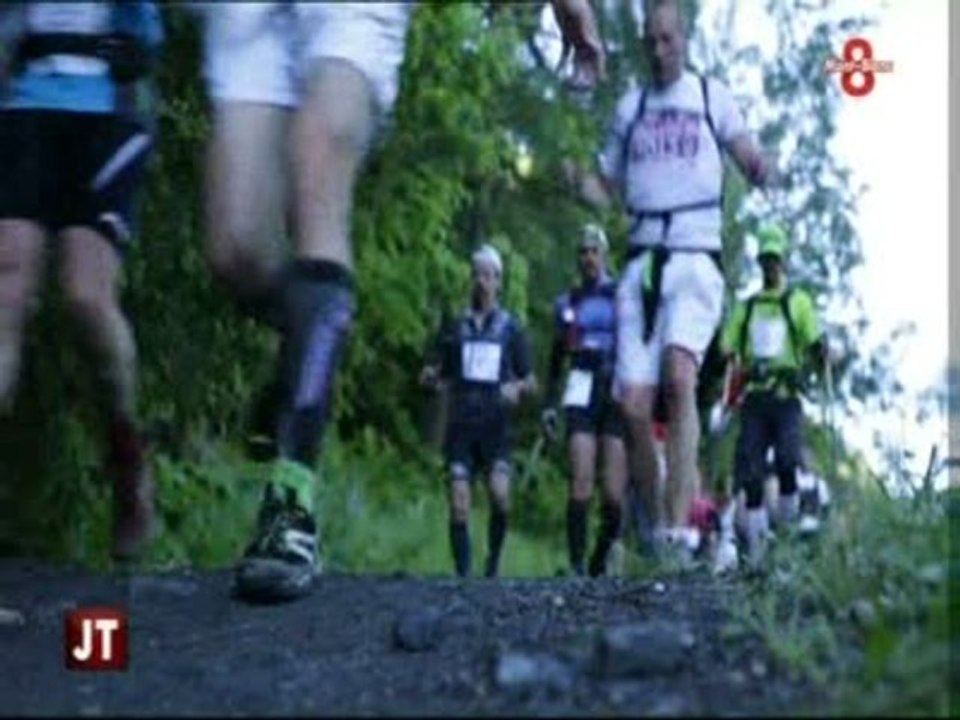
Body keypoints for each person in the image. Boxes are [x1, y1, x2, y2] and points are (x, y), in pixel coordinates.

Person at [191, 1, 605, 602]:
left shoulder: (508, 323)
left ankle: (290, 505)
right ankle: (302, 355)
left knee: (319, 158)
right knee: (236, 250)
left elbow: (530, 371)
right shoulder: (464, 321)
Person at [567, 0, 777, 562]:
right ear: (643, 45)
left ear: (681, 39)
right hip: (640, 263)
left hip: (695, 256)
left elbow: (746, 151)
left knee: (679, 378)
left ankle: (685, 524)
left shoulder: (711, 98)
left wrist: (761, 168)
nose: (659, 51)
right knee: (633, 406)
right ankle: (661, 526)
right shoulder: (631, 109)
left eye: (667, 39)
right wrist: (571, 178)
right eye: (650, 42)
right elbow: (604, 186)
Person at [0, 2, 163, 560]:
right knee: (7, 289)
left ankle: (127, 451)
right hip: (24, 104)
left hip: (110, 109)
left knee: (86, 298)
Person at [421, 245, 536, 578]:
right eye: (477, 274)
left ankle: (493, 562)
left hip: (496, 426)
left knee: (500, 496)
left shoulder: (511, 328)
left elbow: (530, 379)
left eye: (488, 275)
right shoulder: (455, 326)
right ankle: (464, 575)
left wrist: (516, 388)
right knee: (459, 503)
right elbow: (437, 370)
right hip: (461, 425)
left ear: (498, 281)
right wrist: (430, 378)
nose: (481, 282)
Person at [719, 223, 829, 567]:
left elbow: (814, 341)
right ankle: (756, 551)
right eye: (765, 259)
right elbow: (727, 345)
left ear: (783, 262)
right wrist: (728, 357)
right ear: (760, 261)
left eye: (775, 259)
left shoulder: (797, 302)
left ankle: (787, 535)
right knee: (749, 473)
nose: (770, 265)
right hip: (755, 397)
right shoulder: (748, 306)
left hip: (786, 397)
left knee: (786, 461)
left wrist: (821, 351)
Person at [541, 224, 627, 577]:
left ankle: (598, 561)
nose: (588, 258)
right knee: (580, 479)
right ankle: (577, 565)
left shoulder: (622, 295)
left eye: (594, 251)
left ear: (604, 255)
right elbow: (556, 356)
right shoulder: (569, 301)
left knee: (612, 492)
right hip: (580, 386)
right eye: (583, 251)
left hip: (614, 388)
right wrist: (549, 404)